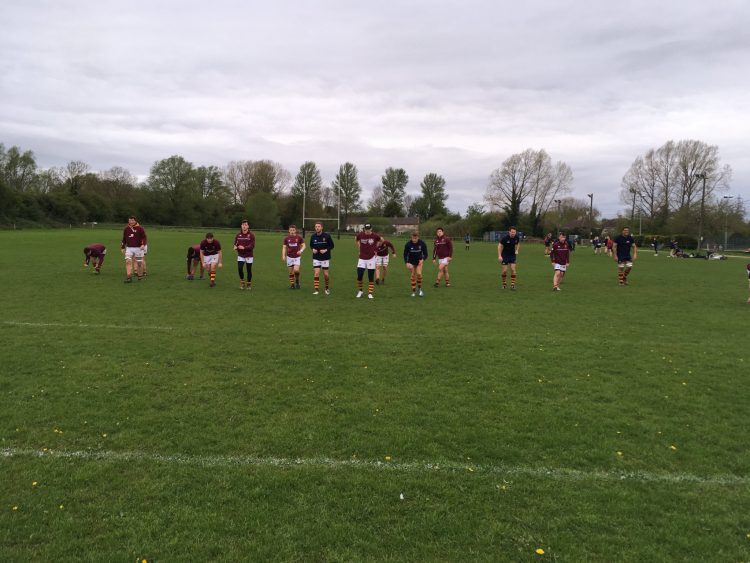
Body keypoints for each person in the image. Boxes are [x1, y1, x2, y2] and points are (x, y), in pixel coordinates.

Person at [355, 223, 382, 299]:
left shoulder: (375, 236)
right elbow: (356, 240)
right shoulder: (360, 235)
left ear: (371, 229)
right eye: (366, 229)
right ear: (364, 229)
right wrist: (359, 249)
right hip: (362, 258)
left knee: (370, 276)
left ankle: (370, 293)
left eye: (368, 229)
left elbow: (380, 240)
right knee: (359, 275)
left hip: (371, 258)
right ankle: (360, 291)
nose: (367, 231)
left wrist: (376, 249)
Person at [309, 221, 334, 295]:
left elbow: (332, 246)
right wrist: (312, 249)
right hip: (316, 257)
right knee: (316, 273)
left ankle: (326, 288)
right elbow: (311, 245)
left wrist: (326, 250)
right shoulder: (313, 236)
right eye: (316, 226)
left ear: (322, 227)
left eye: (318, 226)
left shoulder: (327, 236)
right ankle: (316, 290)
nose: (317, 228)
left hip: (325, 257)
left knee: (326, 275)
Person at [121, 216, 147, 283]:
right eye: (130, 220)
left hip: (138, 248)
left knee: (139, 263)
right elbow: (124, 238)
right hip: (129, 248)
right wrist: (123, 247)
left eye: (132, 220)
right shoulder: (126, 229)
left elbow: (144, 237)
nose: (131, 222)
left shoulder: (140, 228)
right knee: (128, 261)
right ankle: (129, 277)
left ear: (135, 221)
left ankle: (140, 276)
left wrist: (143, 244)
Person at [404, 231, 428, 297]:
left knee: (419, 274)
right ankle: (413, 291)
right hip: (411, 262)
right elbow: (405, 254)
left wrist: (422, 260)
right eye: (413, 238)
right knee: (413, 276)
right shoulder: (408, 244)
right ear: (411, 237)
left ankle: (420, 289)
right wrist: (406, 263)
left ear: (418, 237)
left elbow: (426, 254)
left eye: (416, 238)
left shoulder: (422, 243)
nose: (414, 240)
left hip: (419, 262)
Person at [233, 220, 255, 290]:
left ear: (248, 226)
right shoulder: (238, 235)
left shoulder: (251, 235)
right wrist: (235, 247)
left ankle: (248, 284)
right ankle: (242, 282)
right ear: (241, 226)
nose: (244, 226)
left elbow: (252, 246)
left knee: (249, 270)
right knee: (240, 268)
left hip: (249, 255)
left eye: (245, 225)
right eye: (243, 225)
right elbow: (235, 244)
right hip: (241, 255)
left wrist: (244, 247)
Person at [282, 225, 306, 289]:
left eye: (293, 230)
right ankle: (292, 285)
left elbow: (304, 245)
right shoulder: (286, 238)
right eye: (291, 230)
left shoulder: (299, 238)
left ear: (295, 231)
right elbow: (284, 247)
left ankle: (297, 281)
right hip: (289, 257)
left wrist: (301, 251)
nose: (292, 231)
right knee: (290, 272)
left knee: (296, 270)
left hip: (297, 257)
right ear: (289, 231)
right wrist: (283, 255)